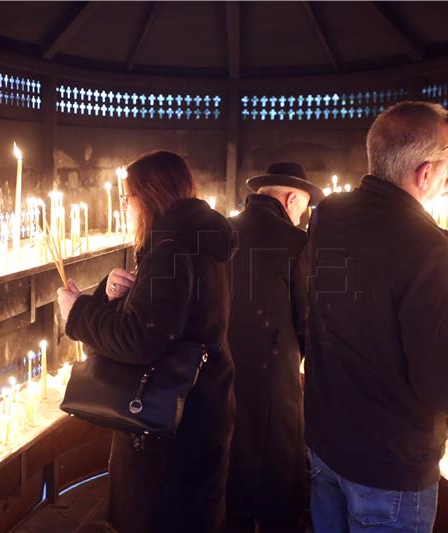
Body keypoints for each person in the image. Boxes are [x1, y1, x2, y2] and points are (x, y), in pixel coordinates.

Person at [302, 101, 448, 532]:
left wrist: (424, 216)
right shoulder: (429, 252)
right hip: (387, 467)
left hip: (325, 441)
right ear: (425, 173)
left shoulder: (329, 215)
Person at [57, 150, 237, 533]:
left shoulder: (170, 248)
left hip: (168, 425)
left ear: (148, 196)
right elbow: (182, 315)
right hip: (204, 408)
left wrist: (78, 312)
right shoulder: (203, 238)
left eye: (127, 197)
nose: (124, 206)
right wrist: (119, 296)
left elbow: (141, 340)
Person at [226, 162, 323, 533]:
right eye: (303, 207)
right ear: (292, 197)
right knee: (276, 479)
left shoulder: (222, 233)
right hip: (274, 383)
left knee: (229, 473)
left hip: (219, 374)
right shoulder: (298, 243)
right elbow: (308, 320)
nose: (302, 215)